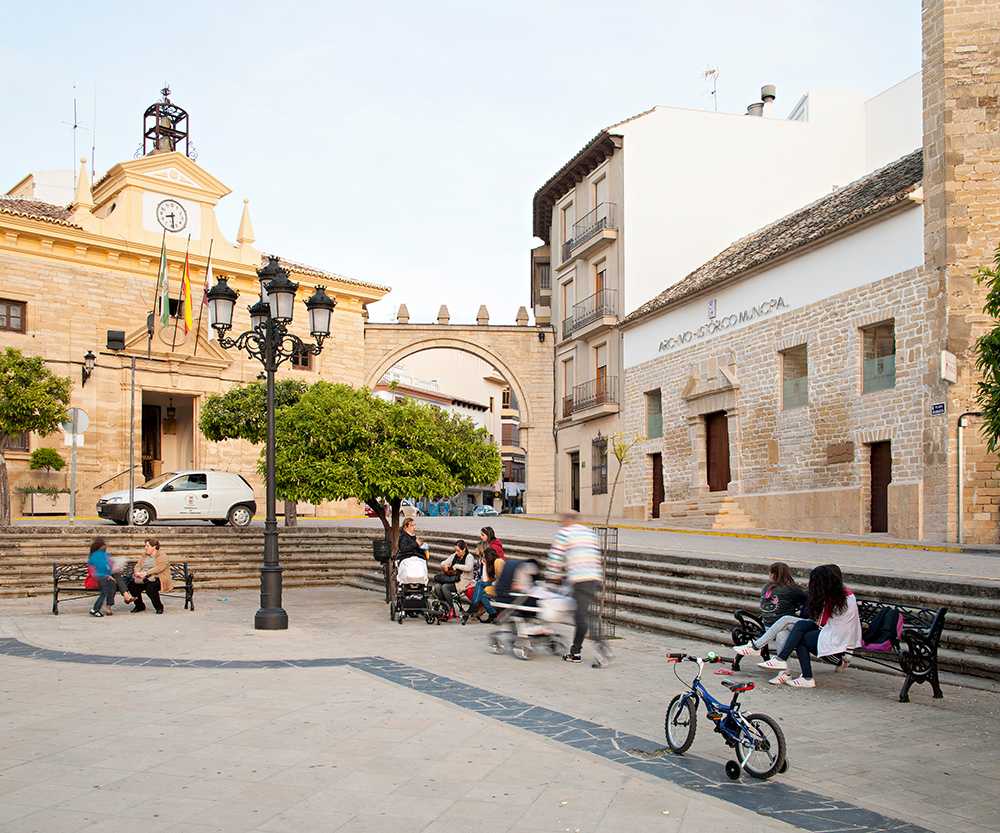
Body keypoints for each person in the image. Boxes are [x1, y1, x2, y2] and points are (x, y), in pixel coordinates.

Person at [766, 564, 862, 689]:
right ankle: (782, 660)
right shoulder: (842, 593)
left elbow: (820, 621)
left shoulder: (835, 598)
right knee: (800, 626)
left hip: (838, 637)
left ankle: (805, 676)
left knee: (801, 637)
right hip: (834, 632)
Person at [545, 511, 609, 666]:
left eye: (562, 521)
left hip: (579, 578)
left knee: (582, 617)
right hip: (593, 577)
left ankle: (602, 650)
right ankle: (575, 652)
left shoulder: (565, 533)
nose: (560, 524)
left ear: (567, 520)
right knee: (582, 614)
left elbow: (555, 558)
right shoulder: (589, 533)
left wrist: (552, 577)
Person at [734, 562, 808, 657]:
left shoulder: (766, 587)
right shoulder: (792, 589)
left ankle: (782, 667)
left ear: (773, 574)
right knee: (782, 631)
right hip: (781, 625)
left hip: (767, 626)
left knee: (782, 633)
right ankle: (781, 665)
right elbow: (805, 601)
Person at [464, 528, 505, 623]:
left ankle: (473, 607)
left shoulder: (493, 550)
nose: (480, 537)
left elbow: (492, 574)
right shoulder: (486, 556)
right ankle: (491, 613)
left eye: (482, 535)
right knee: (481, 590)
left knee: (479, 585)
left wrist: (485, 565)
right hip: (491, 579)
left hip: (496, 581)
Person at [128, 538, 172, 614]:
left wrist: (146, 573)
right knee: (132, 585)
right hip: (144, 578)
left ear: (154, 546)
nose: (145, 547)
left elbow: (159, 568)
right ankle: (140, 606)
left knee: (151, 588)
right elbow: (138, 565)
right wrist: (137, 572)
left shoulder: (162, 555)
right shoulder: (144, 555)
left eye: (147, 546)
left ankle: (159, 607)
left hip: (158, 578)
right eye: (145, 546)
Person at [433, 540, 474, 617]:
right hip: (453, 579)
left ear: (464, 549)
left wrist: (456, 566)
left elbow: (469, 567)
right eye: (456, 550)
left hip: (463, 581)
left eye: (458, 550)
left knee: (445, 587)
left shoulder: (469, 557)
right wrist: (445, 566)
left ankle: (451, 609)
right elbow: (443, 563)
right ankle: (446, 607)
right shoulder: (455, 555)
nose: (457, 552)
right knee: (437, 587)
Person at [87, 537, 115, 617]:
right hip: (94, 580)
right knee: (106, 588)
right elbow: (94, 574)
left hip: (103, 580)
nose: (105, 547)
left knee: (111, 583)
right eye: (103, 546)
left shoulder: (104, 556)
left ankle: (107, 606)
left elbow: (109, 568)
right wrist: (106, 575)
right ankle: (95, 609)